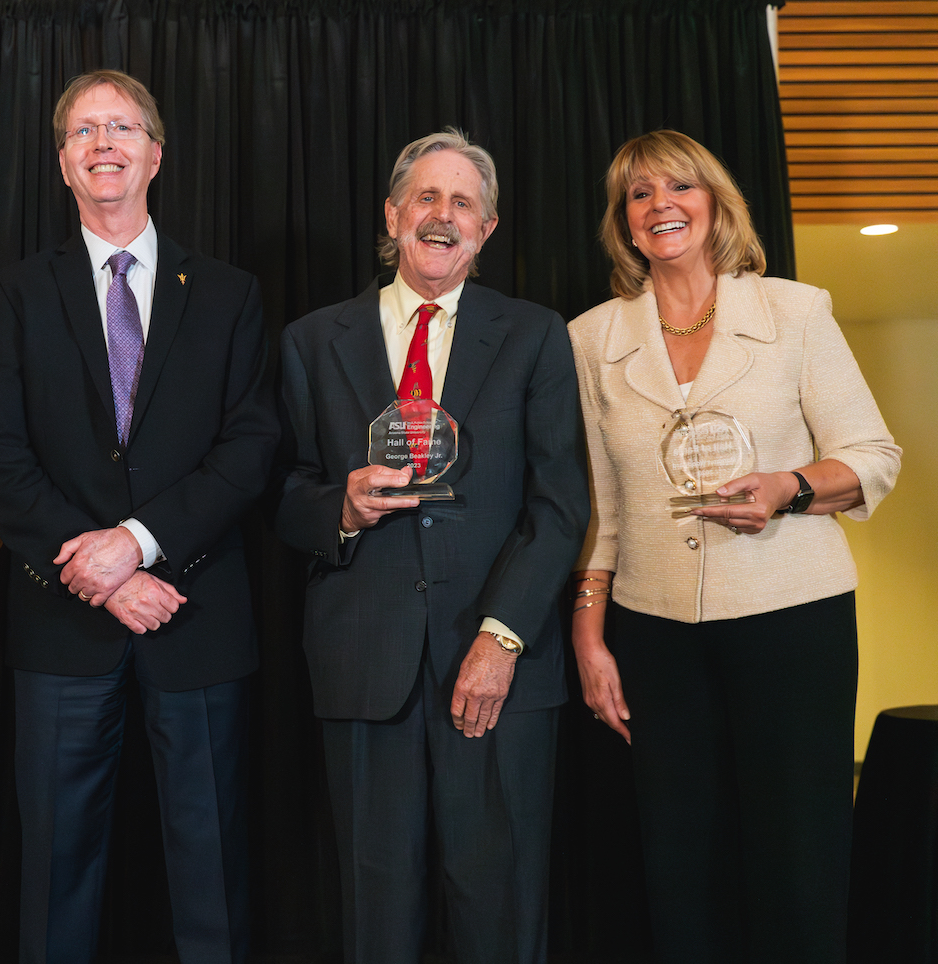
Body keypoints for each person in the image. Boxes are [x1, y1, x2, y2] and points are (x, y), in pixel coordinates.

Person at [569, 129, 901, 964]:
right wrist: (587, 635)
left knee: (797, 849)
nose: (660, 206)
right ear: (625, 224)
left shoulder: (795, 311)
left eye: (678, 187)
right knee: (679, 857)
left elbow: (873, 457)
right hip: (653, 629)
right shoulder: (592, 338)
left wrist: (789, 488)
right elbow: (600, 509)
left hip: (793, 619)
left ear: (715, 203)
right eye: (639, 195)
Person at [0, 69, 278, 964]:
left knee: (211, 867)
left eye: (122, 128)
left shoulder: (229, 294)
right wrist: (102, 579)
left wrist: (137, 547)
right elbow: (1, 459)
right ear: (64, 164)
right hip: (64, 621)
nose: (103, 143)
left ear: (155, 154)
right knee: (55, 870)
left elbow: (249, 448)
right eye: (83, 132)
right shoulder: (19, 292)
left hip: (198, 616)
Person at [273, 128, 588, 964]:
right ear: (393, 215)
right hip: (362, 665)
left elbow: (560, 506)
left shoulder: (534, 336)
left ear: (485, 229)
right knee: (376, 911)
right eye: (426, 198)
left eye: (463, 204)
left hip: (498, 665)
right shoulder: (312, 340)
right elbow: (284, 498)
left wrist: (502, 636)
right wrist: (338, 505)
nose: (442, 216)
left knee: (499, 901)